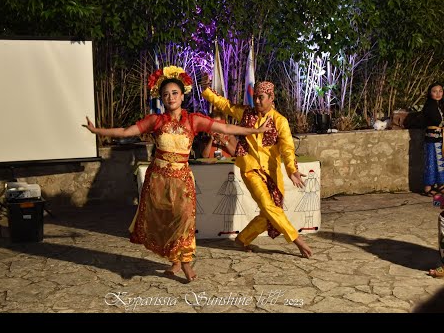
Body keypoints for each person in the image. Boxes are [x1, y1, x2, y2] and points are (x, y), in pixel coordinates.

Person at [83, 65, 272, 282]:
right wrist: (97, 131)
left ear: (182, 96)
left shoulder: (194, 120)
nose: (170, 97)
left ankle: (185, 263)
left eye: (174, 93)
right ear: (162, 99)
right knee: (166, 222)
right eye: (166, 94)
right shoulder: (156, 121)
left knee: (184, 220)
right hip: (158, 180)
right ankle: (175, 260)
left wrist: (255, 131)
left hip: (182, 179)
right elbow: (127, 131)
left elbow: (226, 129)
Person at [200, 77, 312, 258]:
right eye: (256, 97)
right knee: (268, 206)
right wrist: (206, 90)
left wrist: (292, 170)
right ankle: (297, 240)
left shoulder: (280, 121)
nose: (257, 101)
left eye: (261, 97)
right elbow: (225, 104)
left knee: (271, 212)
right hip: (250, 167)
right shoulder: (246, 114)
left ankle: (242, 238)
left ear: (271, 99)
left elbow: (288, 148)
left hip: (271, 171)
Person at [422, 82, 444, 196]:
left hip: (441, 139)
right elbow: (436, 121)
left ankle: (441, 185)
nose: (438, 93)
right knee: (431, 162)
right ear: (430, 93)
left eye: (440, 91)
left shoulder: (440, 105)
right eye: (435, 91)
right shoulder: (429, 106)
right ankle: (428, 187)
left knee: (441, 162)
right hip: (431, 140)